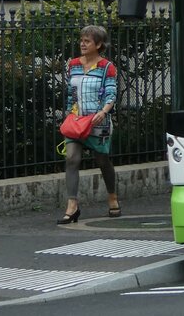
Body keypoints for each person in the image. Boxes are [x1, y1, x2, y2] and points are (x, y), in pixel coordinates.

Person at [59, 25, 120, 224]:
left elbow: (111, 93)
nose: (82, 44)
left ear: (99, 44)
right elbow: (71, 93)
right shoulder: (74, 64)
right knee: (71, 158)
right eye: (81, 40)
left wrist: (104, 111)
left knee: (102, 161)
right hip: (76, 121)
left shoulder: (107, 67)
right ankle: (72, 205)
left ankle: (112, 196)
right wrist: (69, 113)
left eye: (87, 41)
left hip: (97, 122)